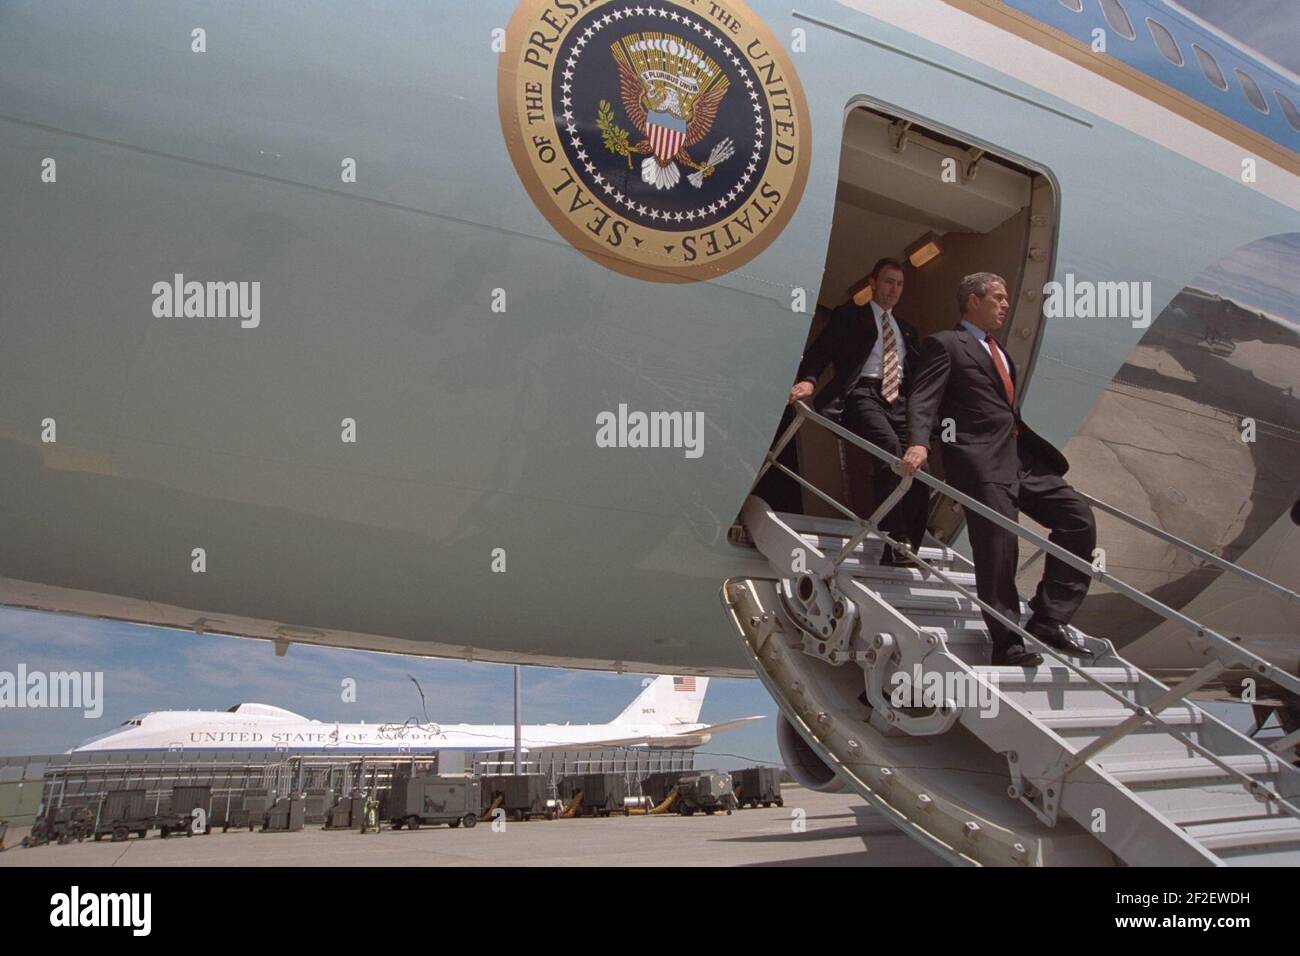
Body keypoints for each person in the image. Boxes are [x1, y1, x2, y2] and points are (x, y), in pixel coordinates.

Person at [901, 272, 1095, 667]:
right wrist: (919, 441)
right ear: (973, 300)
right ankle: (1007, 644)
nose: (1006, 305)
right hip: (979, 461)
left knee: (1078, 519)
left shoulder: (1000, 351)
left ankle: (1049, 618)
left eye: (1007, 299)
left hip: (1021, 458)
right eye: (999, 298)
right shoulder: (946, 344)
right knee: (999, 547)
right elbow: (923, 398)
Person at [788, 258, 931, 565]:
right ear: (873, 282)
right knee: (890, 453)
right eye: (888, 281)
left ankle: (909, 545)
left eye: (899, 284)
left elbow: (917, 376)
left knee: (923, 470)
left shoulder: (907, 330)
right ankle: (894, 537)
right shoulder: (850, 316)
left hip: (899, 401)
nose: (894, 289)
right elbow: (820, 351)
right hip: (863, 393)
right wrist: (808, 381)